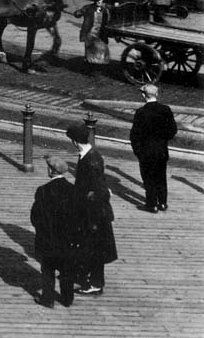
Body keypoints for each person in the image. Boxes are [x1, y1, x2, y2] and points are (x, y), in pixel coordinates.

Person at [66, 122, 117, 294]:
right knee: (93, 248)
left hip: (94, 214)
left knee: (94, 248)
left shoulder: (91, 160)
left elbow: (100, 190)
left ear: (74, 141)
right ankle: (91, 278)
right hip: (92, 212)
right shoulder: (90, 155)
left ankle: (95, 283)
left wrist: (86, 198)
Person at [30, 157, 83, 307]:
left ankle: (48, 299)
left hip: (48, 239)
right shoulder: (73, 190)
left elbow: (35, 216)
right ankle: (67, 299)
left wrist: (41, 231)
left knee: (47, 270)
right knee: (67, 271)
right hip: (68, 240)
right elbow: (79, 216)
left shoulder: (43, 191)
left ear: (51, 170)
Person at [129, 83, 178, 212]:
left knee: (148, 178)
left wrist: (138, 151)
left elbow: (134, 135)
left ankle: (152, 204)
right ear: (156, 94)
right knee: (161, 177)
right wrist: (163, 140)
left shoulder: (140, 112)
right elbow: (172, 130)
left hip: (145, 152)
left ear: (143, 95)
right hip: (161, 150)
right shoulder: (166, 110)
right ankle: (163, 203)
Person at [73, 0, 111, 79]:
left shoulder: (104, 9)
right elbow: (78, 13)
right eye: (97, 0)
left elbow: (107, 20)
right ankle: (90, 70)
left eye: (100, 0)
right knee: (90, 51)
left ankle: (98, 68)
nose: (99, 1)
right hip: (90, 33)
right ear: (94, 1)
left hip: (101, 33)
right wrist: (77, 13)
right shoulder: (88, 8)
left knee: (102, 50)